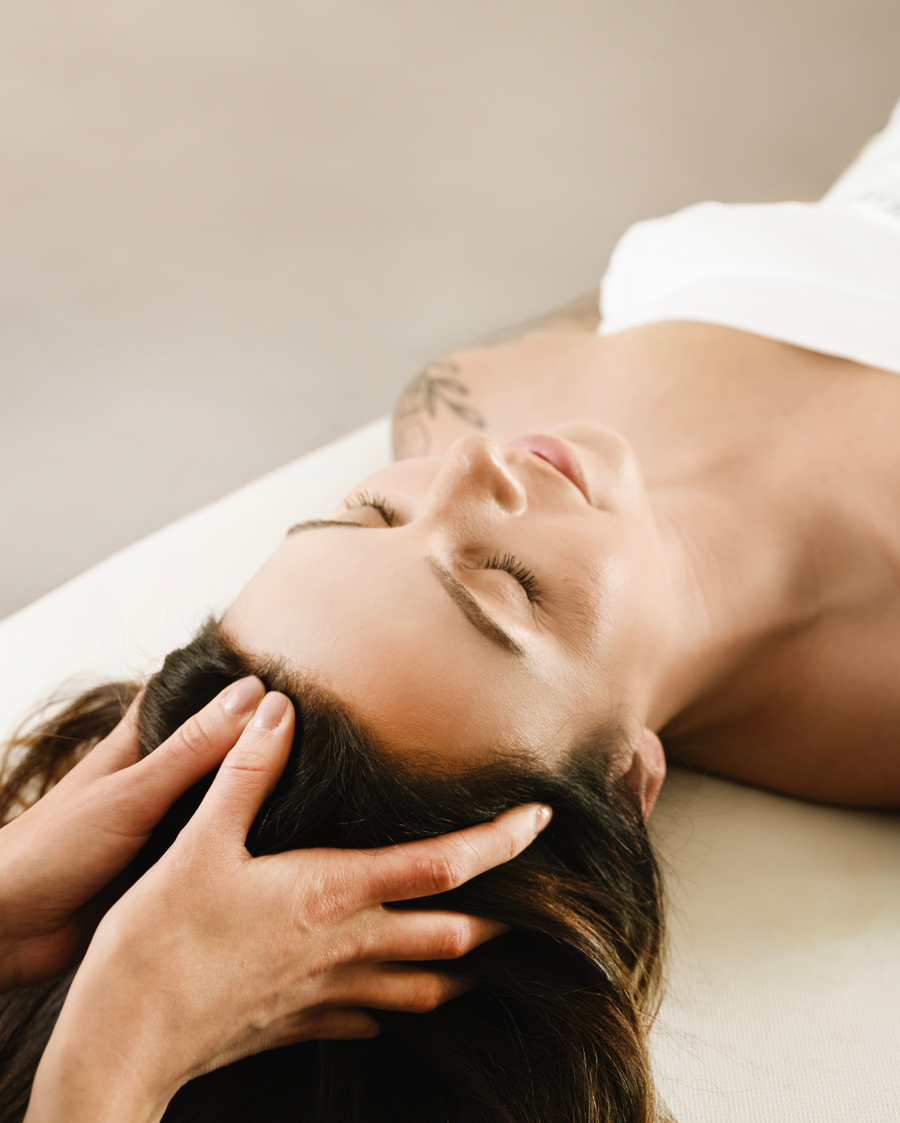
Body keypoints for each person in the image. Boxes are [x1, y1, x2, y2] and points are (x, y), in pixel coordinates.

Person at [4, 97, 900, 1121]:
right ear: (628, 778)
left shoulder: (455, 403)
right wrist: (117, 1044)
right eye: (506, 586)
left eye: (371, 510)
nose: (475, 464)